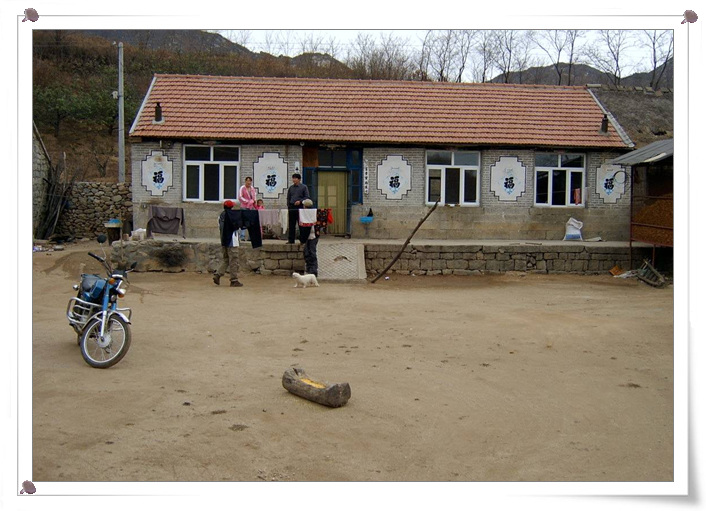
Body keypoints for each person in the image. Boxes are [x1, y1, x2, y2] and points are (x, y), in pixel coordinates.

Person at [214, 200, 243, 287]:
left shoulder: (220, 216)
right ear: (231, 207)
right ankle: (234, 280)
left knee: (226, 259)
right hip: (232, 241)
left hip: (224, 240)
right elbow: (237, 226)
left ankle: (218, 274)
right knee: (233, 261)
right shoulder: (232, 216)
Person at [286, 173, 310, 244]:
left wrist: (300, 201)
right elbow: (288, 197)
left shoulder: (304, 187)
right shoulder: (291, 188)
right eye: (293, 178)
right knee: (291, 224)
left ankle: (302, 240)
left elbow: (307, 197)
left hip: (300, 207)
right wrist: (288, 205)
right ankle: (291, 240)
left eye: (295, 178)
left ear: (299, 179)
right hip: (292, 207)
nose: (294, 180)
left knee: (301, 224)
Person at [299, 199, 319, 277]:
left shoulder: (312, 213)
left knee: (312, 253)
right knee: (307, 253)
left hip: (313, 236)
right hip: (308, 236)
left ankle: (313, 270)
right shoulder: (304, 214)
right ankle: (309, 268)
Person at [238, 176, 257, 241]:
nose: (249, 182)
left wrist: (254, 202)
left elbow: (254, 196)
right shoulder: (242, 188)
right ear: (245, 181)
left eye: (250, 181)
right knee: (243, 221)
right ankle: (242, 236)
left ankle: (250, 236)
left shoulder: (252, 188)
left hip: (251, 206)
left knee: (251, 222)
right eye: (247, 181)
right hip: (244, 206)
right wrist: (247, 201)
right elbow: (240, 197)